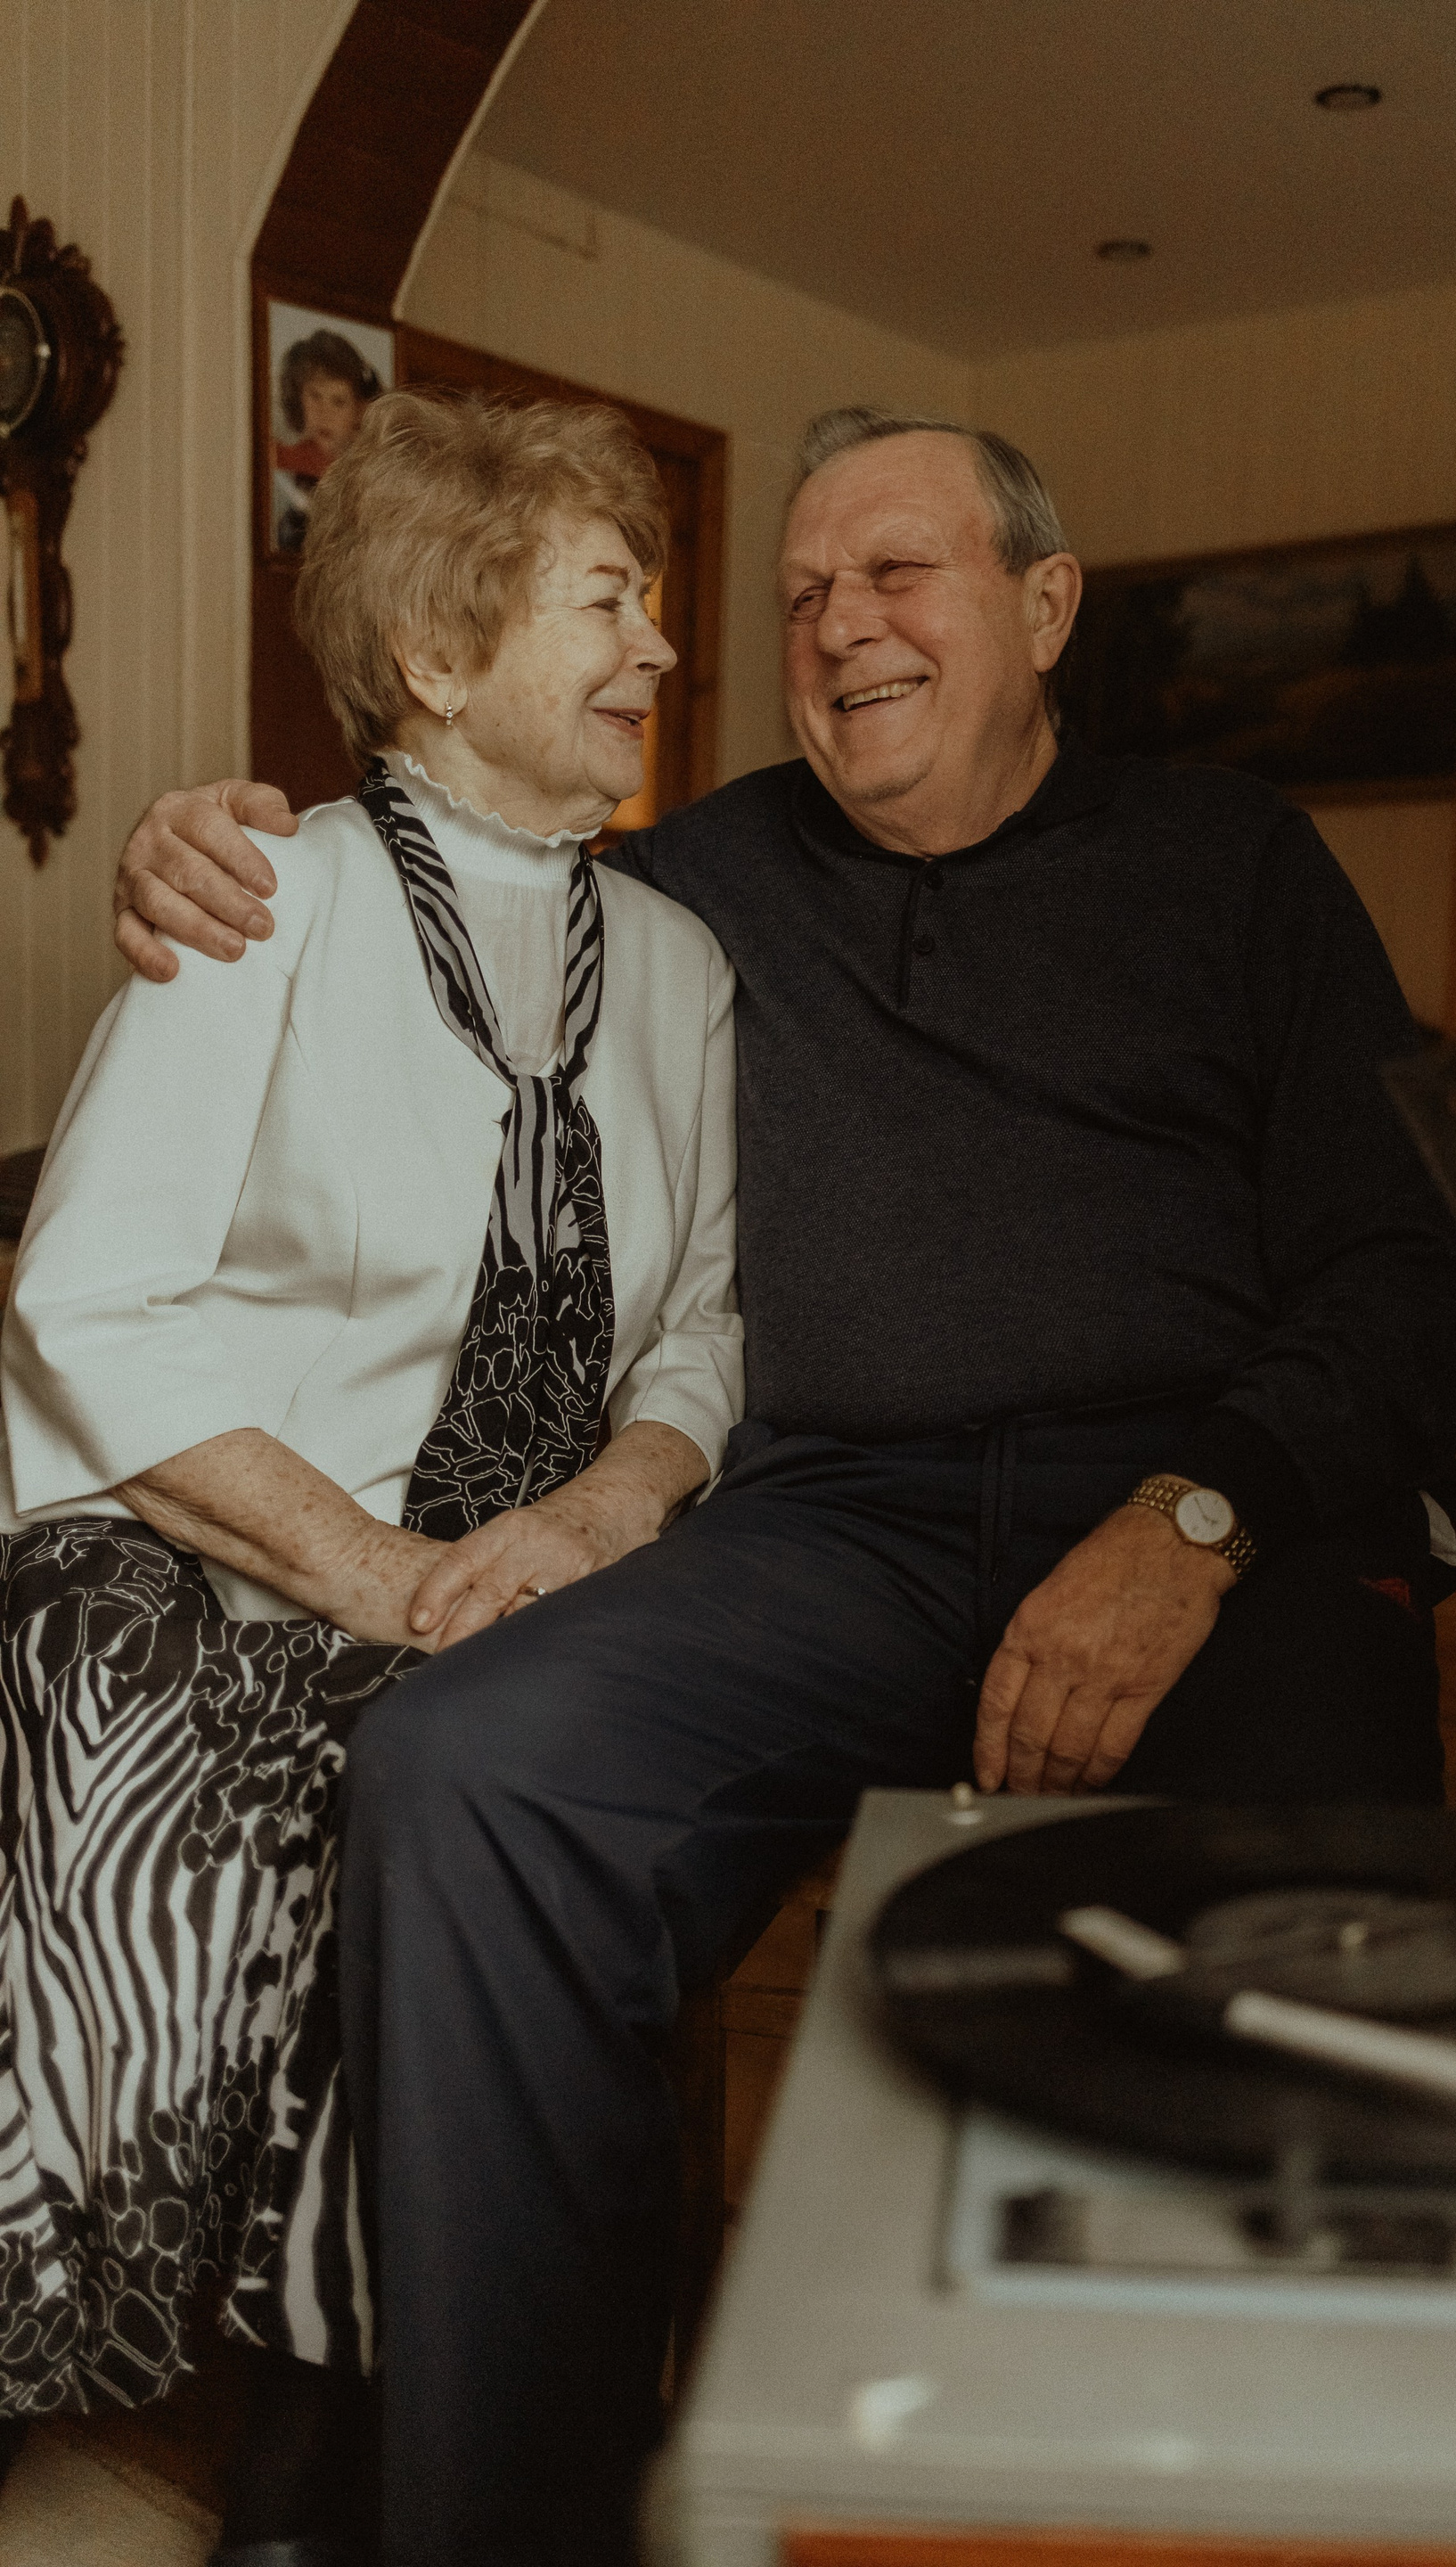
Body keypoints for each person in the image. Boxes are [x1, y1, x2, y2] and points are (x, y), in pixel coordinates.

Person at [114, 405, 1456, 2567]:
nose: (837, 625)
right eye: (800, 593)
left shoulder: (1234, 863)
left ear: (1045, 606)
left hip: (1197, 1517)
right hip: (829, 1519)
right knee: (473, 1770)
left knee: (1316, 1897)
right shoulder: (692, 888)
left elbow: (1412, 1288)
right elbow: (448, 855)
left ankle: (1268, 2501)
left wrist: (1202, 1516)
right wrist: (215, 844)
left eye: (897, 574)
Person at [1, 390, 740, 2558]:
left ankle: (381, 2432)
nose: (659, 648)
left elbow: (702, 1331)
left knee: (503, 1763)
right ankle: (162, 2401)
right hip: (191, 1537)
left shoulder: (681, 967)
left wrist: (595, 1515)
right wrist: (379, 1573)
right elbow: (90, 1302)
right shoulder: (265, 898)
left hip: (518, 1568)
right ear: (433, 651)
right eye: (608, 600)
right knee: (239, 1758)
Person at [272, 328, 383, 552]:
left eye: (338, 402)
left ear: (359, 411)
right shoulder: (281, 459)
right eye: (315, 396)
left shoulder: (367, 475)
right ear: (298, 396)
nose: (324, 412)